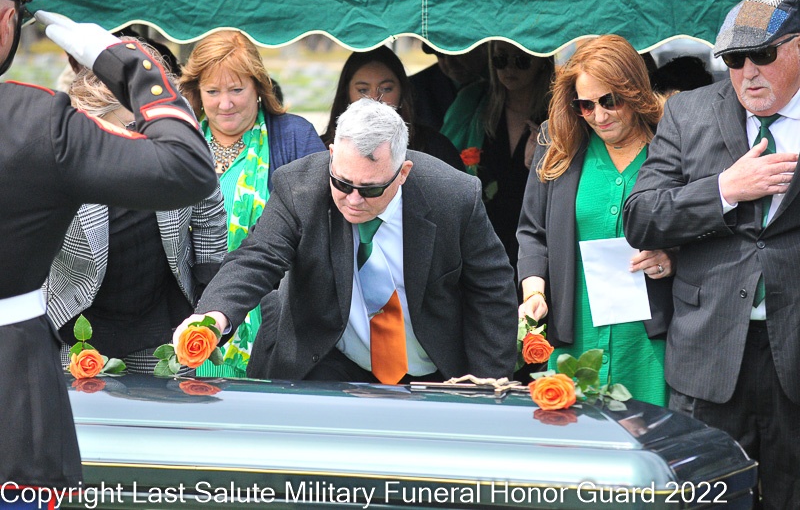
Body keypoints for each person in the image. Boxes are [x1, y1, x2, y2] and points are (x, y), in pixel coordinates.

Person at [0, 0, 216, 497]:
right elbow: (187, 168)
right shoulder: (36, 123)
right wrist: (129, 65)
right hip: (14, 394)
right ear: (6, 21)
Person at [176, 98, 518, 384]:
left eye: (370, 189)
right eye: (342, 183)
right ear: (331, 154)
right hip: (326, 356)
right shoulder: (299, 188)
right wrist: (213, 316)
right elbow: (257, 258)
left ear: (403, 172)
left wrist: (487, 383)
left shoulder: (454, 196)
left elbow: (491, 286)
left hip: (432, 368)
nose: (353, 200)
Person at [623, 0, 800, 507]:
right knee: (704, 497)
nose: (748, 72)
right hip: (711, 354)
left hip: (794, 352)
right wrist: (724, 189)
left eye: (761, 54)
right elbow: (641, 217)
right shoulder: (690, 113)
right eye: (733, 59)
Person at [45, 50, 227, 374]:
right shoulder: (59, 153)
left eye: (138, 126)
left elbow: (208, 205)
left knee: (166, 405)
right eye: (116, 131)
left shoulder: (175, 130)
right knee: (83, 408)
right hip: (78, 321)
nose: (133, 139)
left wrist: (207, 282)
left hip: (162, 318)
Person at [517, 35, 674, 407]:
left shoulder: (673, 140)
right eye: (585, 105)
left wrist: (674, 258)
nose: (599, 116)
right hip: (577, 337)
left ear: (635, 92)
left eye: (610, 101)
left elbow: (705, 225)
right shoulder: (557, 142)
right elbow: (533, 231)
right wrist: (534, 293)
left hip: (651, 343)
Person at [179, 29, 325, 377]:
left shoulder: (295, 137)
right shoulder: (178, 144)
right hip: (188, 323)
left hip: (275, 326)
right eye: (212, 91)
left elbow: (322, 229)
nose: (225, 104)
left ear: (259, 86)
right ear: (197, 92)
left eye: (236, 90)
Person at [442, 40, 555, 281]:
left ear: (542, 62)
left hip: (536, 244)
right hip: (479, 242)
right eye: (500, 59)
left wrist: (544, 163)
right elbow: (442, 162)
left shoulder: (558, 112)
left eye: (522, 60)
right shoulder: (474, 101)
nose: (510, 68)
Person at [320, 46, 465, 172]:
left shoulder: (434, 147)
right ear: (346, 95)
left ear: (402, 93)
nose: (375, 98)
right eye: (363, 90)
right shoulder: (322, 149)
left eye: (386, 89)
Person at [409, 42, 488, 130]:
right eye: (440, 54)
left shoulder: (499, 83)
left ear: (484, 46)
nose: (450, 62)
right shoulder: (414, 88)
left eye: (457, 53)